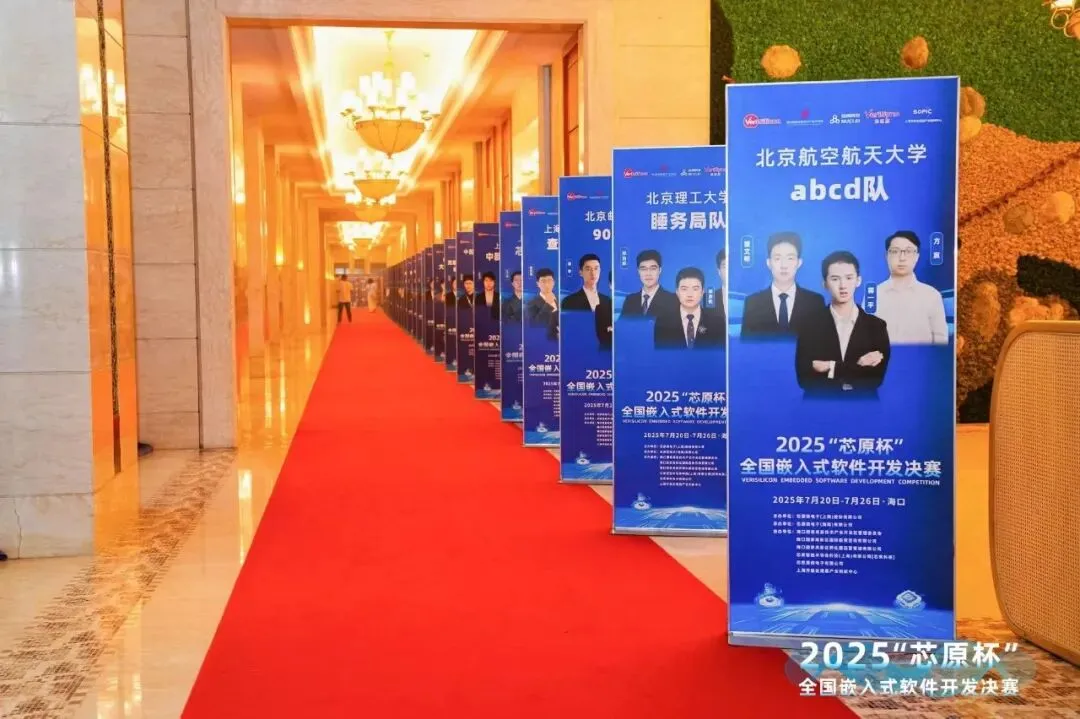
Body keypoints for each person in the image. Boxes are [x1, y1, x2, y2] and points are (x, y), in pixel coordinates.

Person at [796, 250, 891, 395]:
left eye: (849, 278)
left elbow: (875, 379)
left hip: (863, 405)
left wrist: (831, 367)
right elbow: (804, 379)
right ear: (824, 284)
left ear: (858, 280)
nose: (842, 285)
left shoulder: (876, 327)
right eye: (835, 279)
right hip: (820, 404)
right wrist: (858, 366)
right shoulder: (809, 325)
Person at [741, 231, 825, 337]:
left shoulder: (815, 302)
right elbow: (746, 344)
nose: (784, 265)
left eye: (790, 258)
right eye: (777, 258)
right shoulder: (752, 302)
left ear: (799, 263)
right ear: (769, 263)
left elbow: (821, 342)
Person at [873, 230, 948, 345]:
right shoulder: (875, 294)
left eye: (908, 251)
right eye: (895, 251)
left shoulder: (931, 295)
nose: (902, 258)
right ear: (887, 256)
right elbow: (865, 335)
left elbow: (940, 339)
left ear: (917, 256)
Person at [654, 267, 726, 349]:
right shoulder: (663, 323)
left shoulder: (717, 324)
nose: (690, 294)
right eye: (684, 289)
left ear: (702, 292)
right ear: (677, 292)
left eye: (695, 289)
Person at [561, 253, 612, 347]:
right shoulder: (569, 301)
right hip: (580, 347)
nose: (593, 273)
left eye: (596, 268)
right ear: (580, 272)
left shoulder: (607, 301)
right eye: (588, 269)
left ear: (600, 271)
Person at [619, 249, 678, 319]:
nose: (648, 273)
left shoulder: (672, 300)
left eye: (653, 268)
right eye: (643, 269)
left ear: (660, 270)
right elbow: (623, 324)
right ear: (638, 271)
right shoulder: (630, 300)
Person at [526, 267, 559, 339]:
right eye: (543, 281)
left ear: (554, 282)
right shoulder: (531, 303)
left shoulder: (560, 300)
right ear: (537, 284)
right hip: (544, 340)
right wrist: (548, 304)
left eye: (549, 280)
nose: (547, 284)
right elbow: (535, 325)